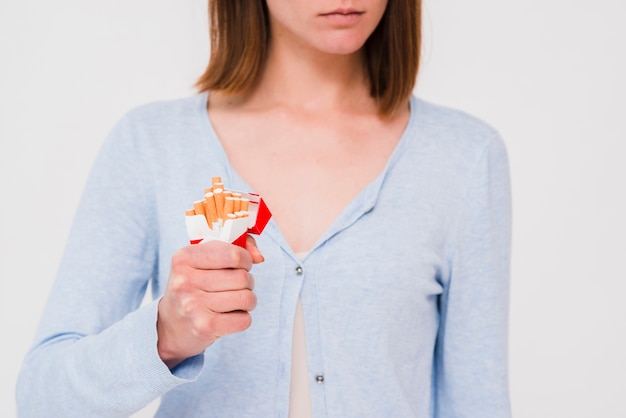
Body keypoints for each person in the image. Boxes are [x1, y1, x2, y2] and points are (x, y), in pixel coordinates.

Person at [17, 0, 512, 416]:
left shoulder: (463, 157)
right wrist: (165, 336)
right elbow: (42, 399)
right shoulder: (152, 145)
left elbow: (478, 403)